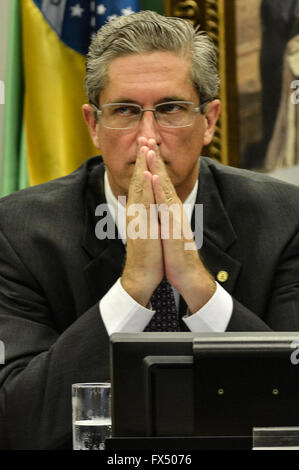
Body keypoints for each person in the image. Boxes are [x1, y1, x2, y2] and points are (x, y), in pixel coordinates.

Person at [0, 10, 299, 450]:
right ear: (93, 125)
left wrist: (199, 288)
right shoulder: (19, 231)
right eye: (124, 111)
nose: (148, 138)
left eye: (171, 109)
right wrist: (134, 287)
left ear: (209, 121)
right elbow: (15, 422)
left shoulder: (284, 218)